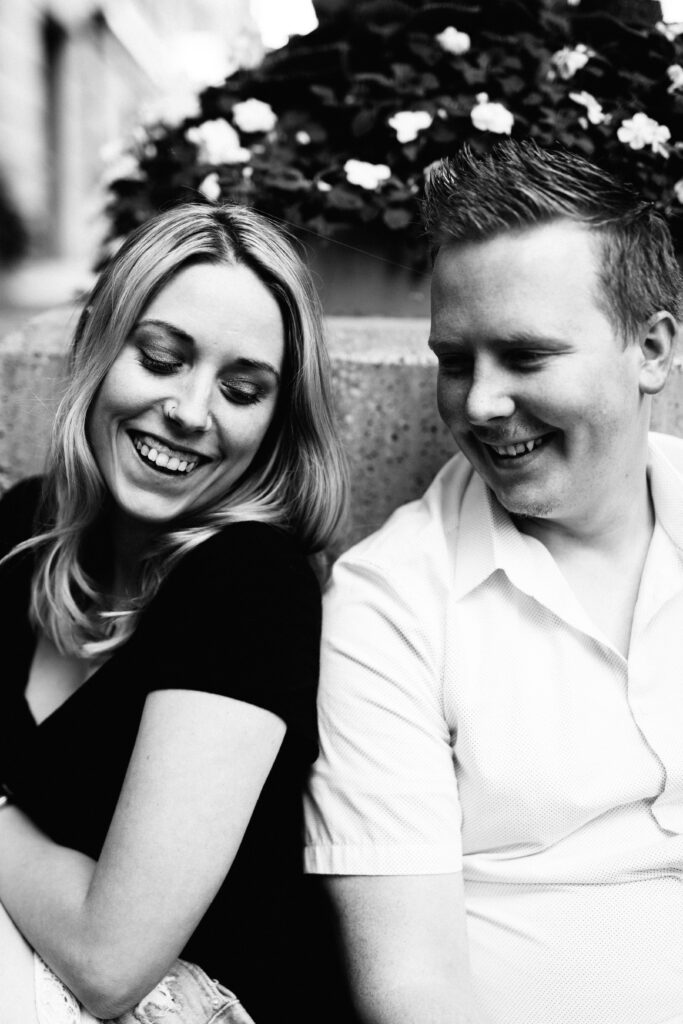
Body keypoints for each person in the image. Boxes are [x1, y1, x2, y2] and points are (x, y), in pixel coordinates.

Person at [304, 140, 683, 1024]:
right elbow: (410, 988)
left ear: (652, 348)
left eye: (524, 355)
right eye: (454, 359)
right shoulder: (388, 605)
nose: (477, 403)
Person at [0, 201, 348, 1024]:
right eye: (161, 359)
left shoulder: (252, 587)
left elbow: (109, 960)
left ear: (275, 421)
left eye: (240, 389)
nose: (192, 411)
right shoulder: (24, 527)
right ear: (98, 346)